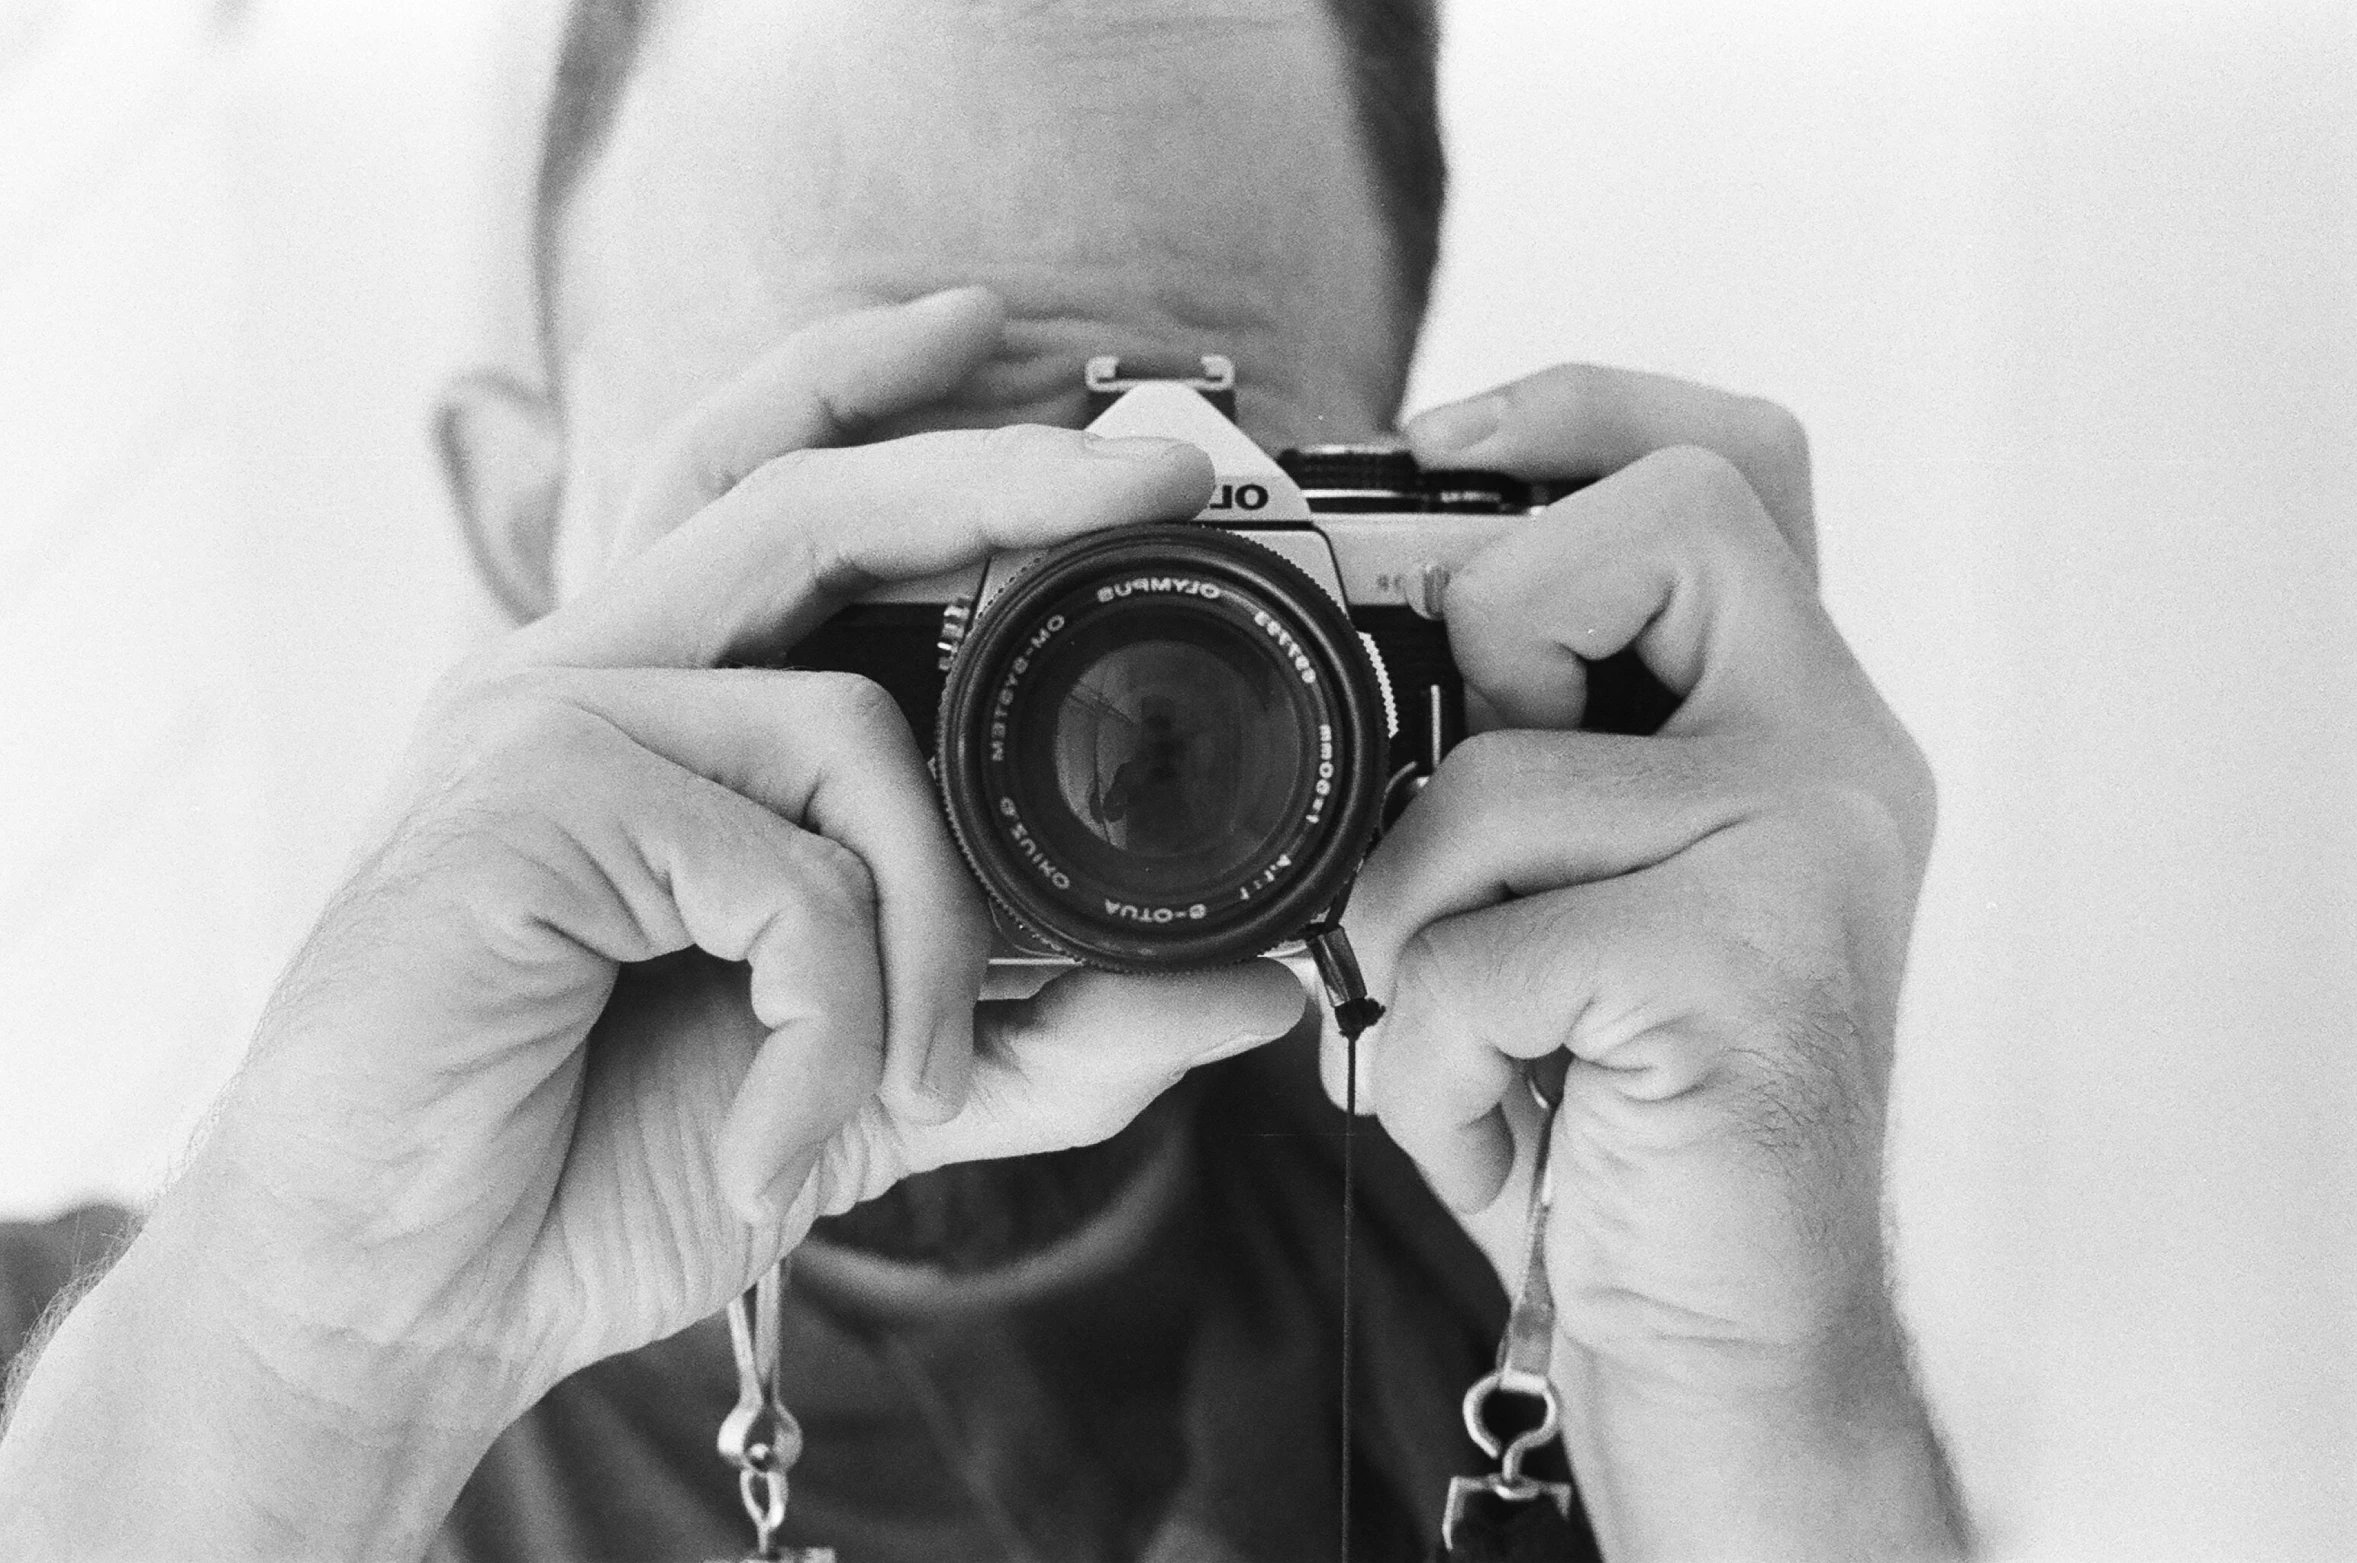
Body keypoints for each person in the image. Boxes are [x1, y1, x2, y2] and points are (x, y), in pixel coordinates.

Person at [0, 0, 1973, 1558]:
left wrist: (1757, 1413)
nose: (1052, 675)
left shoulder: (1571, 1295)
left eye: (1174, 515)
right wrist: (303, 1370)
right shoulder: (87, 1409)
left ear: (1402, 553)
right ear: (534, 528)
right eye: (856, 491)